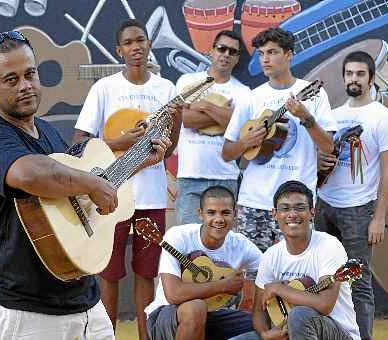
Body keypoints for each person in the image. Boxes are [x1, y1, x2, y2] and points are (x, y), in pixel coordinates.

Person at [0, 31, 171, 339]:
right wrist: (91, 183)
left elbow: (77, 189)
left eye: (30, 74)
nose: (25, 85)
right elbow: (30, 175)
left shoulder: (47, 131)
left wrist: (139, 160)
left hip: (85, 300)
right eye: (11, 79)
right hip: (25, 310)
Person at [72, 19, 182, 339]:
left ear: (149, 45)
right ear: (119, 51)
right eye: (129, 42)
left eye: (141, 40)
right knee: (109, 273)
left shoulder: (167, 89)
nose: (136, 47)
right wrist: (123, 142)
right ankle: (108, 335)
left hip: (151, 196)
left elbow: (171, 144)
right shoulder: (104, 89)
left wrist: (172, 127)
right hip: (111, 194)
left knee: (147, 273)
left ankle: (145, 336)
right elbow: (80, 142)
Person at [221, 28, 335, 252]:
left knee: (294, 272)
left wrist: (305, 117)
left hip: (296, 204)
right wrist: (246, 142)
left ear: (289, 54)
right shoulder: (251, 98)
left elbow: (328, 147)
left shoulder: (314, 94)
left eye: (272, 52)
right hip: (253, 201)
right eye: (261, 53)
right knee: (251, 275)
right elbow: (226, 153)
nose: (265, 59)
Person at [315, 51, 388, 340]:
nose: (354, 79)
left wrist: (378, 218)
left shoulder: (382, 117)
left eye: (360, 74)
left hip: (359, 210)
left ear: (371, 78)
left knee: (359, 283)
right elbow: (318, 161)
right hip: (323, 205)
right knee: (323, 278)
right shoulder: (334, 116)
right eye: (349, 74)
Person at [234, 180, 361, 340]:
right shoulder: (271, 255)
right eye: (285, 208)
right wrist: (265, 334)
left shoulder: (329, 246)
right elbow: (259, 310)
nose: (292, 214)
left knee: (299, 315)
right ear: (275, 214)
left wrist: (279, 289)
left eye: (300, 208)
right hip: (288, 333)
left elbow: (325, 304)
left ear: (312, 213)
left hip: (336, 333)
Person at [145, 185, 262, 340]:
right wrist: (223, 285)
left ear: (235, 214)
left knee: (263, 324)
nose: (219, 219)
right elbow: (174, 294)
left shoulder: (240, 244)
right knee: (196, 309)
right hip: (167, 314)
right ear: (200, 214)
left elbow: (270, 271)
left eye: (225, 213)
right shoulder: (178, 236)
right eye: (211, 213)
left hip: (214, 315)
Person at [175, 30, 250, 225]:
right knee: (189, 242)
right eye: (221, 48)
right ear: (211, 51)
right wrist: (223, 115)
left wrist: (205, 106)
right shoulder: (187, 82)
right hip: (190, 175)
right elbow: (185, 119)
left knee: (221, 245)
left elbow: (239, 127)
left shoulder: (244, 92)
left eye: (232, 52)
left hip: (225, 177)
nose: (226, 54)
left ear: (236, 59)